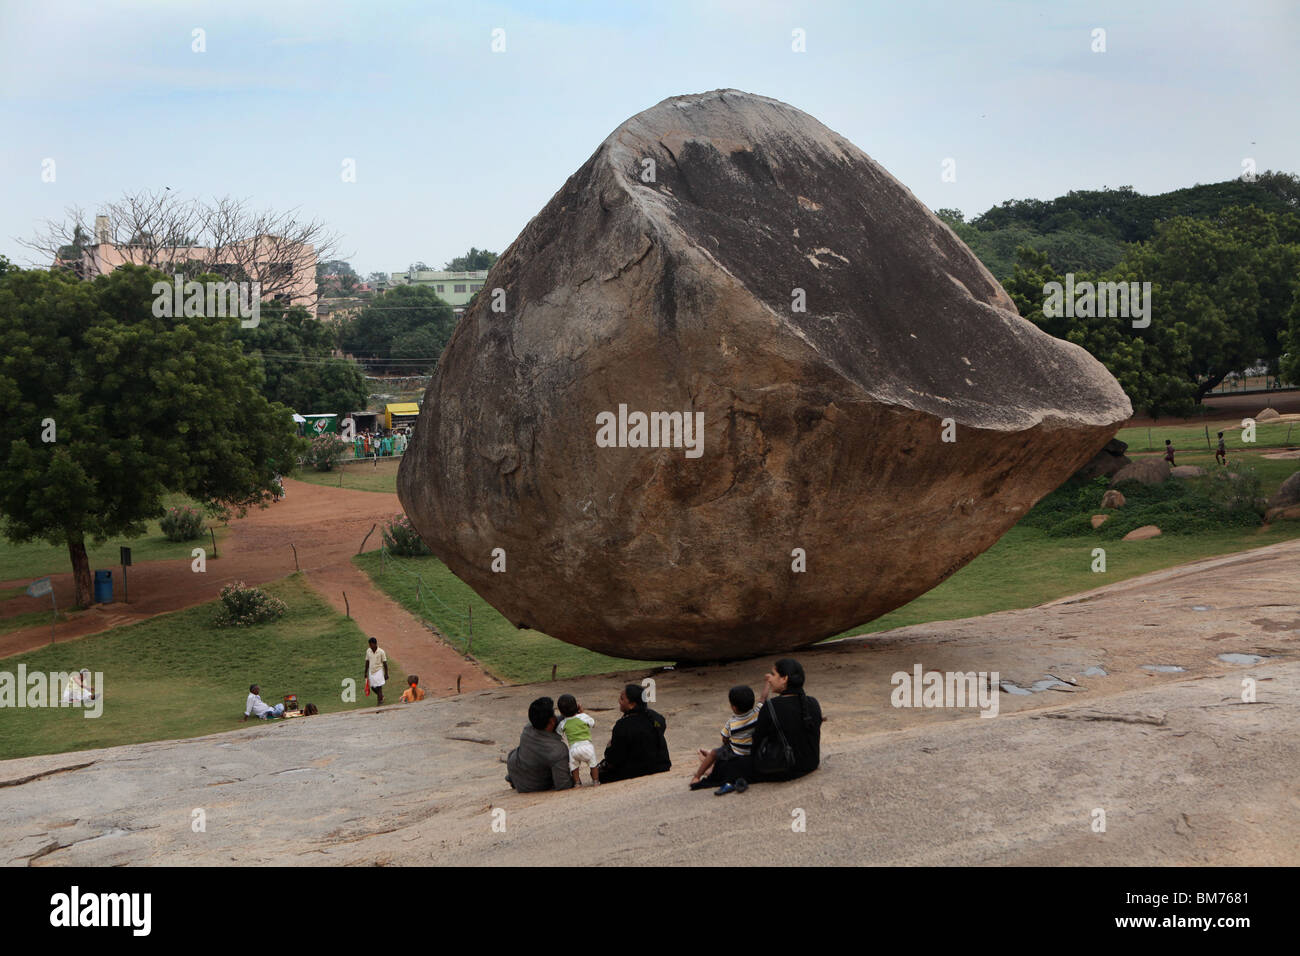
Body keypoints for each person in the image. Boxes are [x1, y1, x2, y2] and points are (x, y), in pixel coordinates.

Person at [704, 659, 822, 794]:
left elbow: (757, 742)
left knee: (730, 766)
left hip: (786, 769)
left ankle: (712, 766)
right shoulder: (813, 702)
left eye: (773, 674)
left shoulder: (771, 706)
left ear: (784, 679)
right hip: (811, 763)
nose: (769, 679)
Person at [596, 684, 671, 784]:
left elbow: (613, 758)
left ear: (632, 704)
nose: (619, 701)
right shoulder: (655, 717)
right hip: (661, 765)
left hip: (635, 771)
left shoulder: (622, 725)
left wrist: (609, 747)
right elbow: (660, 728)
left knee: (598, 772)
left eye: (622, 699)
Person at [690, 685, 759, 788]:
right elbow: (763, 697)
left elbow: (724, 739)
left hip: (737, 753)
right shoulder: (757, 713)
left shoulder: (731, 723)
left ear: (734, 707)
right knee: (718, 753)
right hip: (752, 751)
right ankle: (708, 759)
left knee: (714, 753)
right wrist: (767, 683)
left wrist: (725, 746)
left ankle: (697, 776)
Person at [505, 697, 573, 793]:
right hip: (531, 786)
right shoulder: (557, 751)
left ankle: (513, 778)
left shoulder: (528, 727)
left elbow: (555, 721)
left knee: (521, 754)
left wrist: (570, 715)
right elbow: (563, 784)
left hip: (514, 767)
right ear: (552, 720)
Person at [556, 694, 599, 786]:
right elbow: (593, 723)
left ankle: (577, 783)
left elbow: (558, 733)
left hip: (573, 749)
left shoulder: (563, 723)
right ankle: (596, 781)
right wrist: (582, 713)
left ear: (561, 712)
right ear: (577, 706)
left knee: (574, 767)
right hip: (587, 747)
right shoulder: (583, 717)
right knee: (593, 765)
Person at [364, 637, 389, 705]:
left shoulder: (381, 651)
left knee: (379, 687)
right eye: (369, 644)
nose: (370, 646)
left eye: (371, 644)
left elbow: (385, 663)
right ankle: (381, 696)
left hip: (379, 671)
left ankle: (379, 702)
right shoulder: (368, 651)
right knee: (372, 687)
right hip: (371, 671)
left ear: (375, 644)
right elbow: (367, 662)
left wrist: (386, 674)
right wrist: (365, 672)